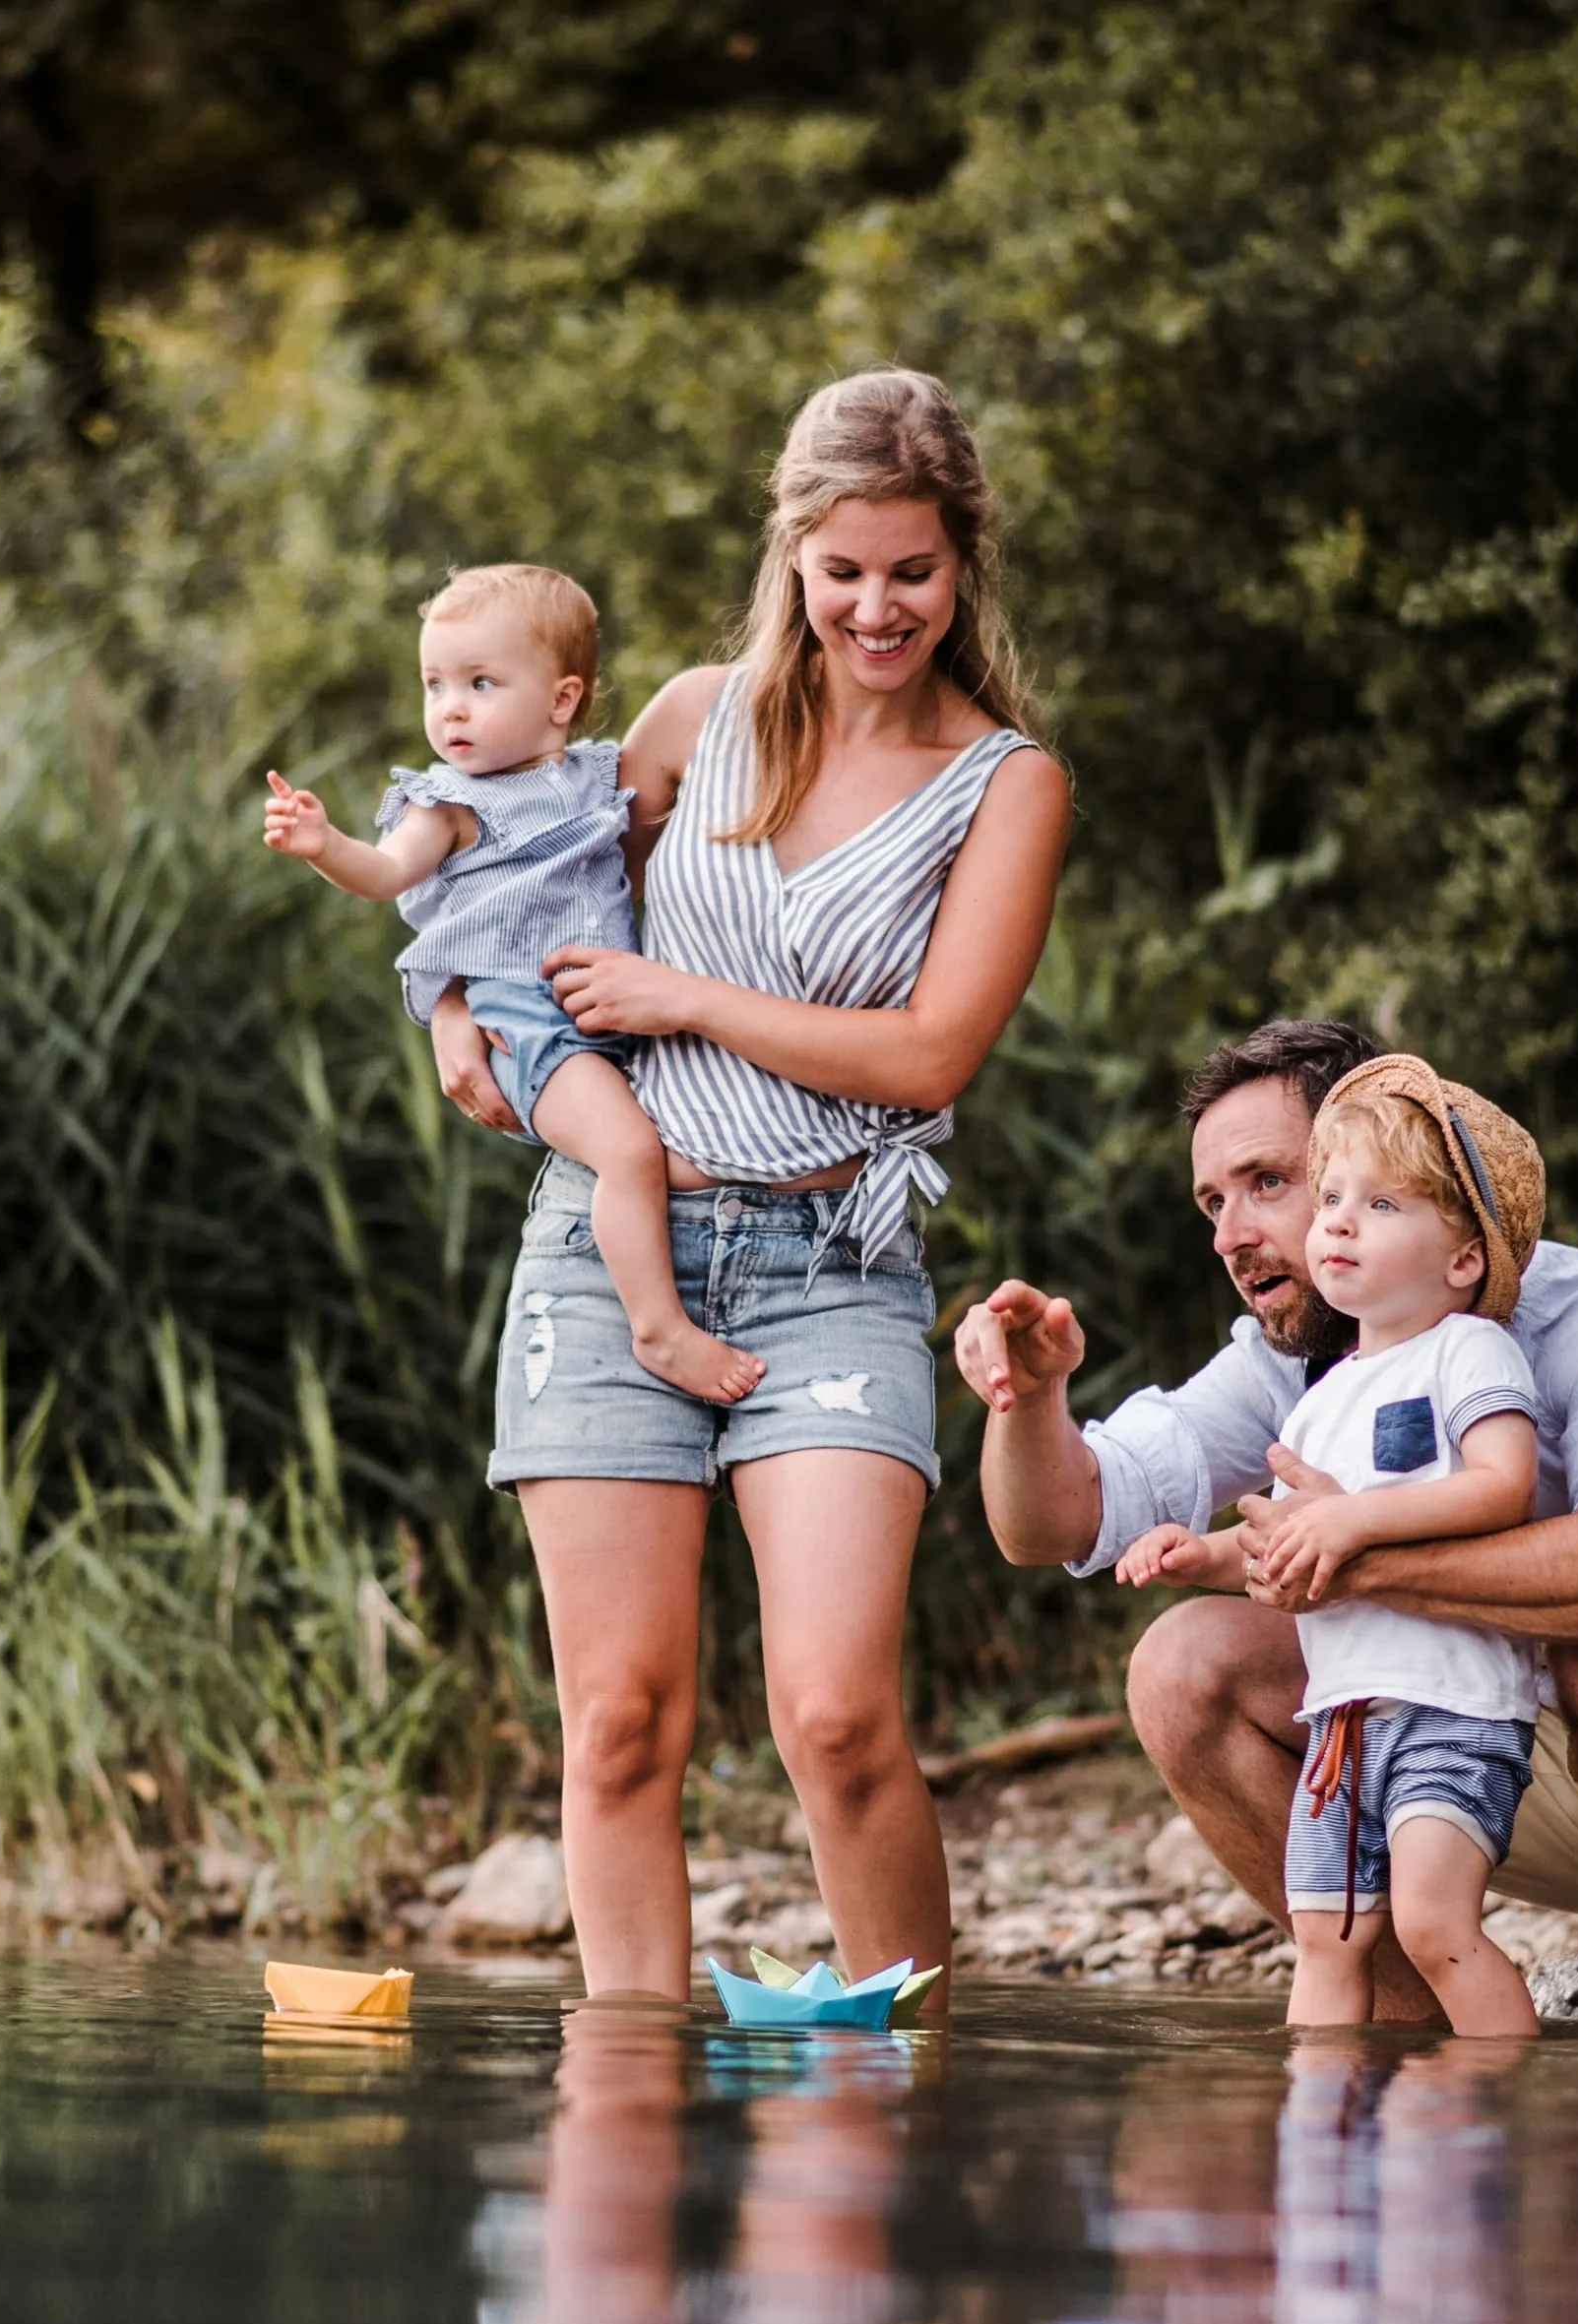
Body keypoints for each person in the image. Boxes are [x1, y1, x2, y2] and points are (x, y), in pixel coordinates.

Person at [443, 370, 1071, 2017]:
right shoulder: (684, 721)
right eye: (844, 568)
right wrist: (452, 1012)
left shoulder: (1004, 782)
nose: (878, 606)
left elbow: (931, 1053)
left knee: (839, 1713)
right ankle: (627, 2108)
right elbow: (502, 884)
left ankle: (903, 2068)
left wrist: (689, 1000)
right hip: (610, 1246)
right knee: (622, 1718)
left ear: (962, 569)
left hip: (830, 1257)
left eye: (913, 572)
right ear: (792, 554)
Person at [953, 1020, 1578, 2028]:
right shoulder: (1295, 1361)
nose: (1230, 1236)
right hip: (1479, 1754)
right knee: (1179, 1668)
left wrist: (1362, 1558)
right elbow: (1050, 1527)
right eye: (1212, 1202)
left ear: (1383, 1151)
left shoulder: (1577, 1308)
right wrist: (1029, 1401)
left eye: (1268, 1182)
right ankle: (1413, 2045)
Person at [1119, 1055, 1554, 2035]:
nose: (1341, 1222)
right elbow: (1282, 1538)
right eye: (1329, 1201)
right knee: (1325, 1934)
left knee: (1436, 1924)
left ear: (1461, 1260)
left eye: (1381, 1204)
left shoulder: (1467, 1350)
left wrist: (1354, 1521)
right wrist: (1203, 1554)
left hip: (1451, 1706)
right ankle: (1318, 2126)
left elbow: (1501, 1484)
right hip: (1339, 1725)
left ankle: (1496, 2103)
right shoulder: (1322, 1399)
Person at [262, 564, 763, 1404]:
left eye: (479, 683)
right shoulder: (450, 802)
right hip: (528, 1022)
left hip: (609, 1011)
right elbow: (386, 873)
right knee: (630, 1152)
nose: (449, 707)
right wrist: (324, 845)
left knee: (661, 1142)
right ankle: (660, 1329)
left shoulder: (596, 777)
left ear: (562, 700)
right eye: (435, 684)